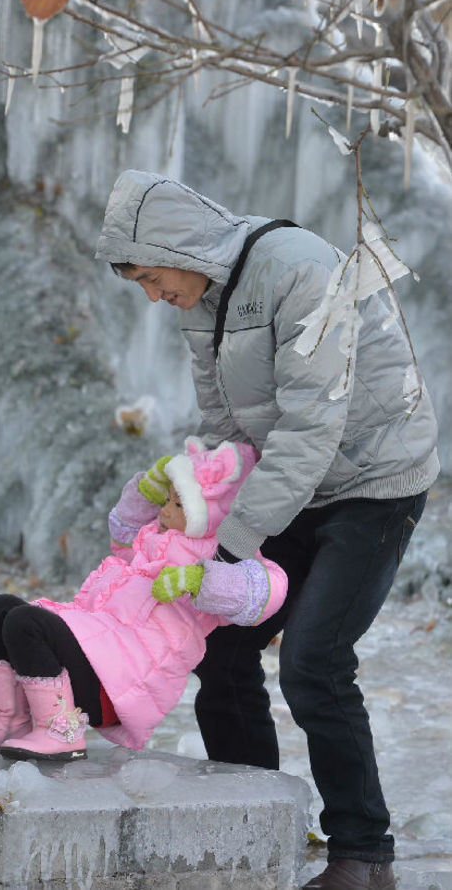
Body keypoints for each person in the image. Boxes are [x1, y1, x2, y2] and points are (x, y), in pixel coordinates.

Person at [95, 169, 439, 890]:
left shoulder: (299, 271)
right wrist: (192, 508)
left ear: (178, 250)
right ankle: (255, 820)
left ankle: (363, 855)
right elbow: (225, 429)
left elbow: (315, 427)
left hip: (374, 485)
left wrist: (226, 548)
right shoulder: (203, 301)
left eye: (154, 278)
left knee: (314, 660)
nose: (154, 297)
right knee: (217, 646)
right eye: (143, 288)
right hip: (293, 486)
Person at [0, 438, 287, 761]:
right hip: (98, 653)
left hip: (116, 685)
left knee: (25, 623)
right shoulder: (153, 538)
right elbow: (122, 533)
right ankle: (8, 719)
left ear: (210, 514)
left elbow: (268, 588)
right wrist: (145, 490)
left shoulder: (219, 554)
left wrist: (200, 580)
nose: (165, 511)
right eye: (166, 500)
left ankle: (60, 731)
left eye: (178, 504)